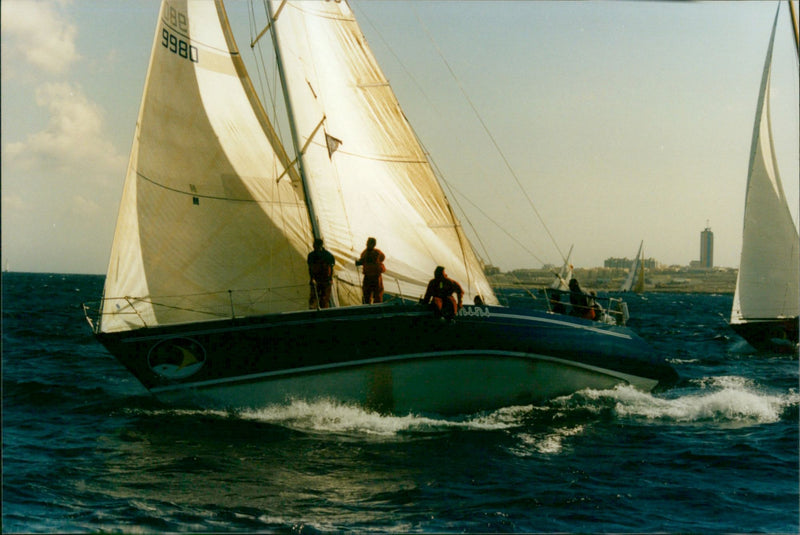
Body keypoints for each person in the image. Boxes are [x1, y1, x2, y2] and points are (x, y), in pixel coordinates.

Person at [355, 237, 385, 304]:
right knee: (367, 294)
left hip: (375, 277)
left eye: (368, 243)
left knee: (377, 295)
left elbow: (382, 258)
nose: (366, 244)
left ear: (373, 244)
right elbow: (382, 258)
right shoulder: (367, 253)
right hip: (369, 277)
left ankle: (377, 307)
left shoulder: (375, 252)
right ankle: (368, 306)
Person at [307, 238, 335, 309]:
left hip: (325, 280)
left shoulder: (328, 255)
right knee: (313, 299)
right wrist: (312, 278)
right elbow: (310, 268)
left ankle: (324, 312)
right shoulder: (311, 256)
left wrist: (330, 278)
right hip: (317, 280)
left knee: (324, 299)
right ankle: (313, 312)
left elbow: (331, 267)